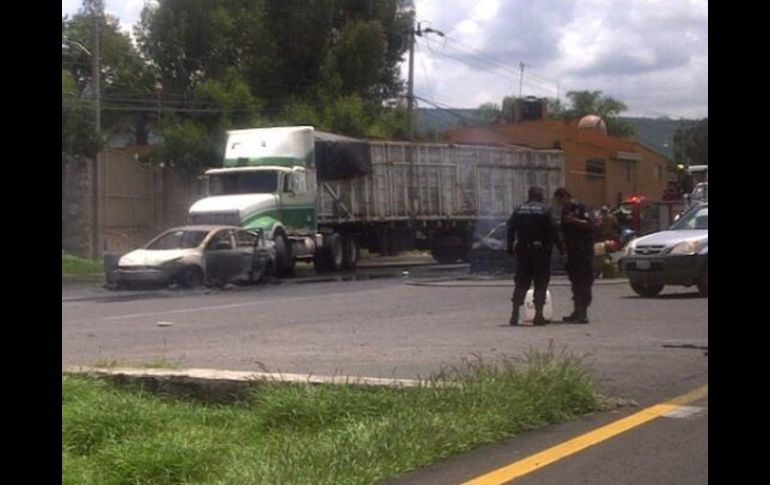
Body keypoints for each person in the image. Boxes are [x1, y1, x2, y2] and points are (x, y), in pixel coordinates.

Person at [506, 186, 564, 326]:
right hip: (541, 252)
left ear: (529, 195)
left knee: (521, 283)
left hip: (523, 252)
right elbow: (554, 231)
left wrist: (509, 249)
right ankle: (538, 315)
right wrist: (561, 250)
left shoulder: (518, 209)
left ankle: (514, 315)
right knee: (541, 283)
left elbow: (510, 229)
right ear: (540, 196)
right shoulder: (546, 210)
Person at [553, 188, 596, 324]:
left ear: (566, 197)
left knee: (585, 283)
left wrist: (574, 221)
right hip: (571, 253)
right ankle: (577, 311)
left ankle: (583, 313)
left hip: (584, 252)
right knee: (575, 283)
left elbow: (591, 225)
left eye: (560, 200)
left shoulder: (582, 208)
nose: (560, 204)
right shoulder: (564, 212)